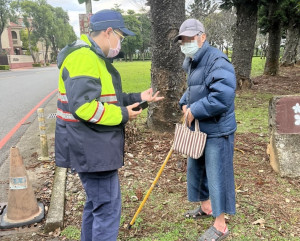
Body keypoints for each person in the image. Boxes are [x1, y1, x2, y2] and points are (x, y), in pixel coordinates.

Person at [54, 9, 163, 241]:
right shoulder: (84, 58)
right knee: (107, 209)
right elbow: (84, 107)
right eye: (120, 37)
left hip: (91, 145)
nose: (120, 43)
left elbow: (108, 98)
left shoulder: (92, 57)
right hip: (92, 148)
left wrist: (138, 98)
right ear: (108, 32)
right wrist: (123, 115)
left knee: (96, 205)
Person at [174, 19, 236, 241]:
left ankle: (220, 225)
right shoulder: (193, 60)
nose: (186, 43)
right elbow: (194, 89)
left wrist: (194, 110)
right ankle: (206, 207)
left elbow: (223, 96)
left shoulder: (217, 60)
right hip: (200, 128)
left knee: (217, 175)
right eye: (183, 39)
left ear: (203, 36)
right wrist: (184, 103)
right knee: (197, 169)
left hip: (218, 129)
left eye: (190, 38)